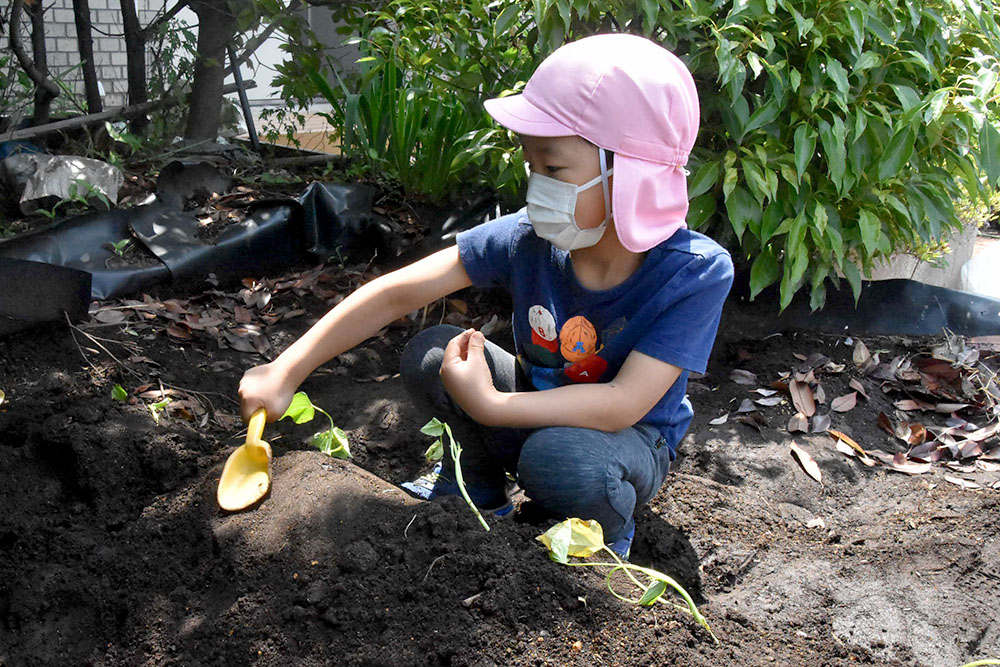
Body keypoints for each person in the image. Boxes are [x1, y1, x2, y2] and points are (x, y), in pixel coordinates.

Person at [238, 33, 733, 560]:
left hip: (624, 443)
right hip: (532, 410)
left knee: (561, 458)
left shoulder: (693, 274)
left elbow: (621, 405)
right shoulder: (530, 236)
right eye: (532, 167)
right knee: (434, 352)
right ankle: (475, 491)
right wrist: (286, 369)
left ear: (630, 174)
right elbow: (396, 293)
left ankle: (603, 542)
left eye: (554, 169)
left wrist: (492, 406)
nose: (536, 187)